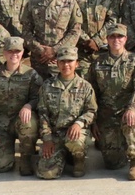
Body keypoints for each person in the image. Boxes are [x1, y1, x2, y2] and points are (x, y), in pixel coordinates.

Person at [87, 24, 135, 180]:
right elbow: (91, 92)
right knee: (112, 163)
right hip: (107, 114)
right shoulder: (98, 63)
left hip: (129, 109)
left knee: (132, 121)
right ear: (107, 39)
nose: (116, 40)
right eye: (112, 36)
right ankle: (120, 145)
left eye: (120, 36)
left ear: (126, 39)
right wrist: (93, 120)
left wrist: (132, 107)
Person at [0, 37, 43, 176]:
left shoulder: (31, 74)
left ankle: (26, 158)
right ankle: (3, 152)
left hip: (21, 119)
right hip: (1, 124)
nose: (14, 55)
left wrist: (28, 105)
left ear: (22, 53)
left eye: (17, 51)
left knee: (29, 122)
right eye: (10, 51)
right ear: (4, 53)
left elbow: (38, 97)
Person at [36, 46, 98, 179]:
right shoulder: (47, 86)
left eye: (70, 61)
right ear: (57, 63)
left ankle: (78, 159)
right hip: (55, 135)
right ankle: (62, 155)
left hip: (75, 133)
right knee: (46, 174)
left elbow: (91, 111)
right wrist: (47, 139)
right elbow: (42, 114)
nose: (66, 65)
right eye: (62, 61)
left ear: (77, 64)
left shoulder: (85, 86)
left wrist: (79, 124)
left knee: (75, 141)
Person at [21, 0, 83, 79]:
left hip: (62, 60)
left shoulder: (70, 2)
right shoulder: (32, 2)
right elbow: (25, 31)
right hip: (39, 60)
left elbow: (75, 31)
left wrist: (55, 50)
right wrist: (40, 50)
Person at [65, 0, 121, 76]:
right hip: (79, 51)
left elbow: (113, 20)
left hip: (104, 50)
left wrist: (97, 41)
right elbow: (69, 20)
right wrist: (85, 40)